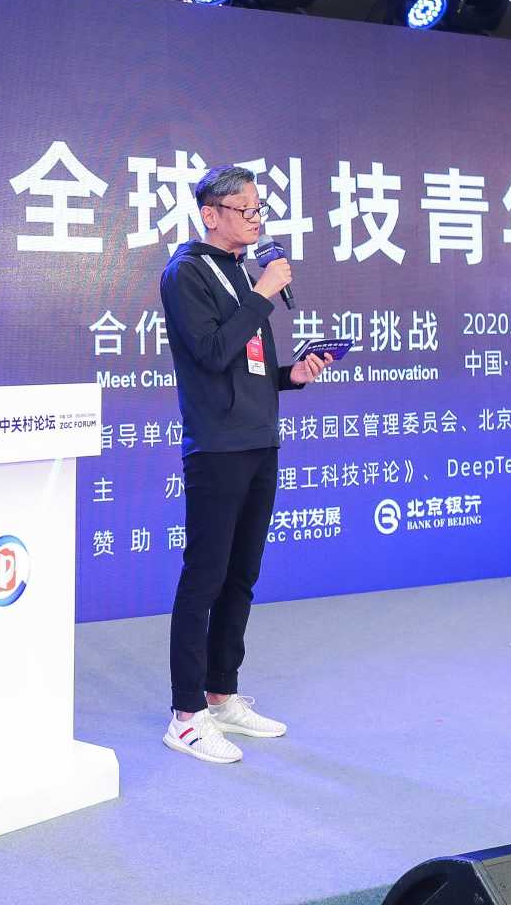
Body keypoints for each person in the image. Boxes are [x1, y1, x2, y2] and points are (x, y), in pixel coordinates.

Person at [157, 164, 332, 764]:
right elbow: (210, 354)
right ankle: (186, 716)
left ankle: (221, 694)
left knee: (242, 576)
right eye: (246, 210)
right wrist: (262, 295)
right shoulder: (186, 272)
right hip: (217, 446)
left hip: (259, 440)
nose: (257, 220)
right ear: (211, 214)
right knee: (203, 578)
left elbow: (246, 364)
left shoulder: (241, 272)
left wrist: (293, 375)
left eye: (260, 210)